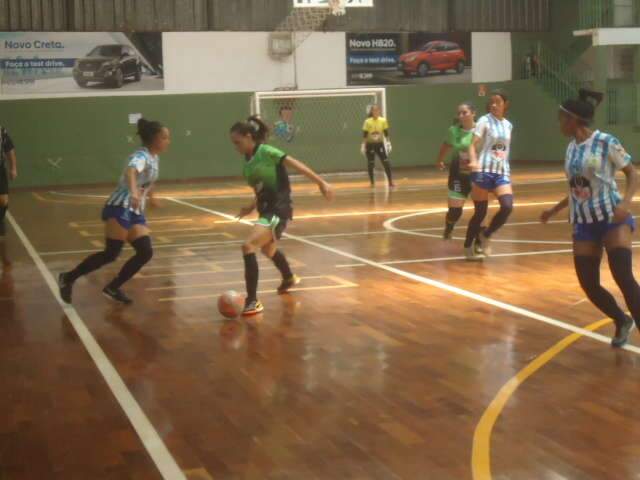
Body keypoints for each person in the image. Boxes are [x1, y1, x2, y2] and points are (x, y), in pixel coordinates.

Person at [541, 89, 640, 348]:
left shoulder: (606, 141)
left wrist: (626, 204)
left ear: (574, 119)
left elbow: (633, 175)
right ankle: (621, 320)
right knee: (588, 283)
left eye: (562, 118)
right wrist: (555, 210)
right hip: (584, 222)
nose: (559, 123)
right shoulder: (571, 148)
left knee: (623, 276)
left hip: (611, 216)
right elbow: (577, 186)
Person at [58, 118, 171, 305]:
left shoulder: (155, 157)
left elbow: (148, 180)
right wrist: (134, 191)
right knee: (111, 253)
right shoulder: (141, 155)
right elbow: (131, 171)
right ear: (153, 139)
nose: (168, 141)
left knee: (145, 251)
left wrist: (152, 197)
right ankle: (68, 278)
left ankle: (113, 287)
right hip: (120, 206)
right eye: (165, 137)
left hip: (135, 210)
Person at [230, 116, 333, 316]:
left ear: (249, 136)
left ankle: (252, 301)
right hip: (265, 210)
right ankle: (289, 277)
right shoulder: (247, 165)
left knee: (248, 245)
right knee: (268, 251)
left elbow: (296, 164)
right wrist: (250, 207)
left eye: (238, 142)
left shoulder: (267, 152)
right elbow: (260, 191)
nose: (236, 147)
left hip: (278, 209)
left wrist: (321, 182)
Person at [463, 90, 514, 260]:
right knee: (480, 213)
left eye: (497, 102)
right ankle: (468, 245)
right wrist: (473, 161)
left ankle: (486, 234)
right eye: (491, 102)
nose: (493, 105)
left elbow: (504, 148)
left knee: (507, 206)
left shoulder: (508, 125)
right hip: (483, 171)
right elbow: (472, 145)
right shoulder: (485, 120)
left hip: (501, 172)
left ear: (505, 105)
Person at [436, 102, 477, 239]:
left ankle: (478, 241)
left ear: (473, 113)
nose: (461, 115)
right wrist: (440, 160)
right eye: (459, 113)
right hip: (458, 175)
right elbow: (446, 145)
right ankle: (449, 226)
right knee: (455, 212)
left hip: (478, 176)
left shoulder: (482, 130)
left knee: (481, 210)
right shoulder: (453, 131)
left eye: (464, 112)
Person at [361, 105, 394, 188]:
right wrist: (363, 145)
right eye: (374, 111)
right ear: (372, 112)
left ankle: (390, 182)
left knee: (386, 162)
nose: (375, 112)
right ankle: (372, 183)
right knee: (371, 163)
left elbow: (386, 132)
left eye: (377, 110)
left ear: (379, 111)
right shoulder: (367, 121)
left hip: (380, 144)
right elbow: (365, 134)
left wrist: (388, 143)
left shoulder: (383, 121)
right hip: (370, 145)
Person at [0, 125, 17, 239]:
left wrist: (13, 168)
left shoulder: (1, 131)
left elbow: (10, 149)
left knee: (4, 201)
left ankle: (0, 219)